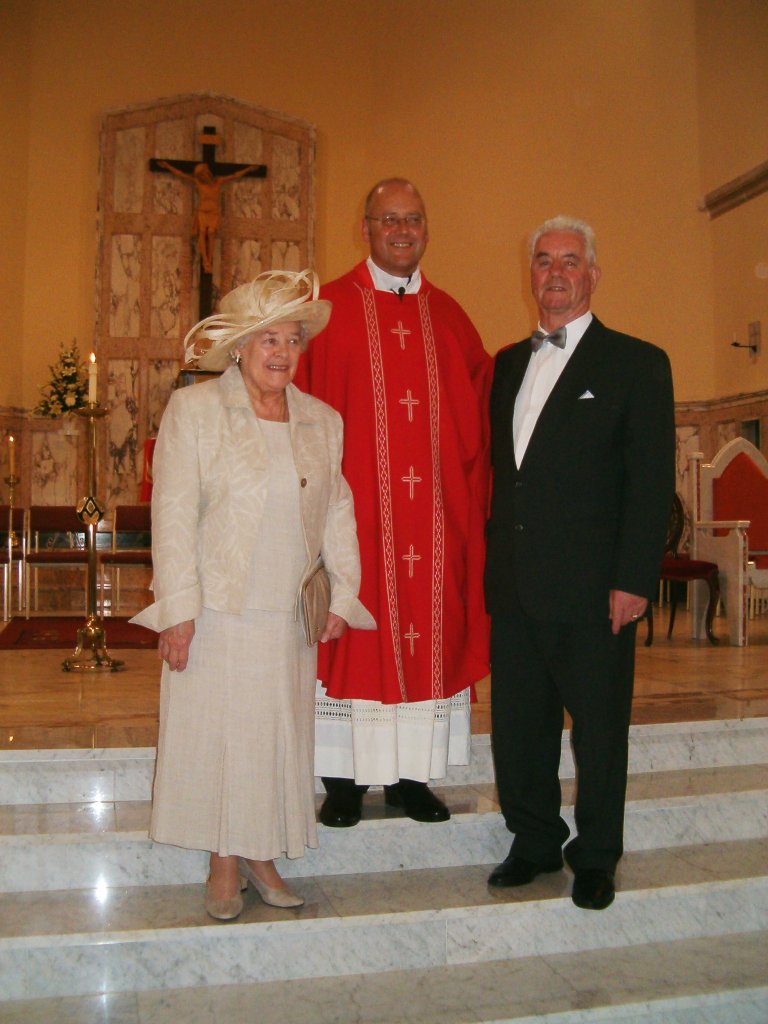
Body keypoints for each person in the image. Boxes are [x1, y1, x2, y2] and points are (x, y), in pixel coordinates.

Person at [131, 269, 375, 920]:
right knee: (220, 736)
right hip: (216, 609)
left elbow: (338, 513)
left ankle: (263, 853)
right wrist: (177, 612)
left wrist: (343, 599)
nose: (282, 352)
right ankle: (223, 861)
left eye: (292, 339)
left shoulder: (322, 421)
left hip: (286, 612)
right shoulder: (196, 410)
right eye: (267, 339)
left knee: (274, 737)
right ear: (238, 347)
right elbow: (173, 513)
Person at [485, 216, 675, 910]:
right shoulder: (507, 363)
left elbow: (650, 482)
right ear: (529, 274)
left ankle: (596, 854)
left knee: (598, 731)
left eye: (570, 261)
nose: (555, 272)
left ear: (593, 275)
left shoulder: (637, 363)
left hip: (597, 591)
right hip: (516, 584)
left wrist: (633, 578)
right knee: (520, 725)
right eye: (542, 261)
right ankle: (534, 839)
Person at [294, 179, 491, 827]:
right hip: (354, 523)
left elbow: (489, 416)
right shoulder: (326, 311)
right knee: (349, 637)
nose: (402, 230)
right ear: (367, 227)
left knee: (425, 636)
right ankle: (343, 781)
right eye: (389, 219)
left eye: (414, 218)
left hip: (433, 525)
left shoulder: (453, 318)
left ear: (426, 228)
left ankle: (413, 777)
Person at [157, 161, 259, 272]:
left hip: (213, 213)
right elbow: (182, 174)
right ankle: (205, 259)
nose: (201, 177)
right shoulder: (199, 184)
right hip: (202, 212)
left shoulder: (218, 182)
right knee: (202, 232)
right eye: (199, 175)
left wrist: (248, 169)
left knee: (211, 233)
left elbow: (234, 176)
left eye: (202, 174)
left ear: (207, 173)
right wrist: (167, 166)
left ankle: (209, 259)